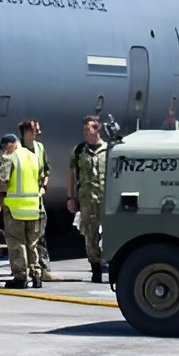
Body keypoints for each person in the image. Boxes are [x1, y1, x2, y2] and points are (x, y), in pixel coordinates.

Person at [0, 134, 41, 289]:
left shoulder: (10, 158)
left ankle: (20, 277)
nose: (4, 151)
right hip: (34, 207)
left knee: (17, 243)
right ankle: (36, 275)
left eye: (4, 147)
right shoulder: (33, 156)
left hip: (16, 209)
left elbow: (3, 184)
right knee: (32, 243)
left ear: (11, 144)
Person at [67, 115, 108, 283]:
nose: (85, 132)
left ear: (97, 129)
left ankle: (110, 263)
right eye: (84, 129)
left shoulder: (109, 149)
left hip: (106, 199)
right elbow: (71, 175)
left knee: (109, 233)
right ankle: (96, 268)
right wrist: (71, 197)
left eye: (88, 129)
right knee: (90, 234)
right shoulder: (79, 151)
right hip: (87, 200)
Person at [18, 118, 57, 284]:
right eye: (35, 130)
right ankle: (22, 270)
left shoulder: (40, 148)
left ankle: (43, 270)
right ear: (27, 132)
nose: (38, 132)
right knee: (20, 238)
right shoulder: (16, 148)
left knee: (39, 235)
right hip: (18, 202)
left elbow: (46, 171)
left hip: (36, 200)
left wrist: (43, 188)